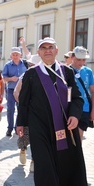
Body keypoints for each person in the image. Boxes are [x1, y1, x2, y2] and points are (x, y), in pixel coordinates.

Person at [16, 37, 87, 186]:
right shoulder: (31, 74)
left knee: (66, 163)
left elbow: (77, 97)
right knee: (44, 163)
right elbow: (23, 102)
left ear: (56, 51)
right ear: (38, 53)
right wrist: (21, 123)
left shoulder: (66, 72)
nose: (47, 50)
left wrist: (74, 115)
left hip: (65, 124)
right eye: (43, 48)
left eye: (50, 47)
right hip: (39, 126)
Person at [14, 54, 41, 172]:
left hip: (40, 114)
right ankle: (23, 149)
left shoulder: (46, 76)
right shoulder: (25, 76)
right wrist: (24, 104)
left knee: (38, 139)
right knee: (24, 135)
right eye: (29, 64)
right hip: (27, 113)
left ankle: (34, 161)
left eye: (32, 65)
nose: (29, 66)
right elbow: (16, 92)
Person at [70, 46, 94, 140]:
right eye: (78, 59)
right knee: (70, 138)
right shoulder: (65, 71)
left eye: (83, 59)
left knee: (78, 138)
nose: (81, 62)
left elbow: (93, 91)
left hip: (85, 108)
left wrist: (93, 111)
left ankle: (77, 155)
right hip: (70, 109)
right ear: (72, 57)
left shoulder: (88, 71)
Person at [2, 46, 27, 136]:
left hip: (22, 91)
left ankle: (17, 127)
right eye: (13, 54)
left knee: (20, 109)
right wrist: (11, 78)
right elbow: (3, 79)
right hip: (11, 90)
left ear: (20, 55)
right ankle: (9, 128)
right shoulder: (8, 65)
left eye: (17, 54)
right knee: (10, 109)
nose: (15, 56)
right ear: (11, 56)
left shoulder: (25, 64)